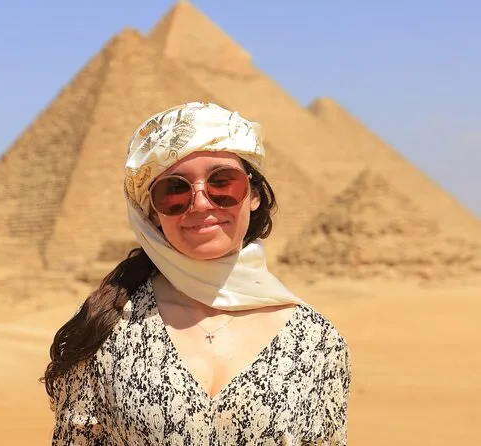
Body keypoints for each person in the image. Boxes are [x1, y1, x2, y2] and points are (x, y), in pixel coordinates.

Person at [43, 102, 351, 445]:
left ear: (254, 195)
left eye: (223, 183)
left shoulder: (318, 341)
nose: (201, 203)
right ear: (151, 212)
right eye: (174, 190)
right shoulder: (103, 327)